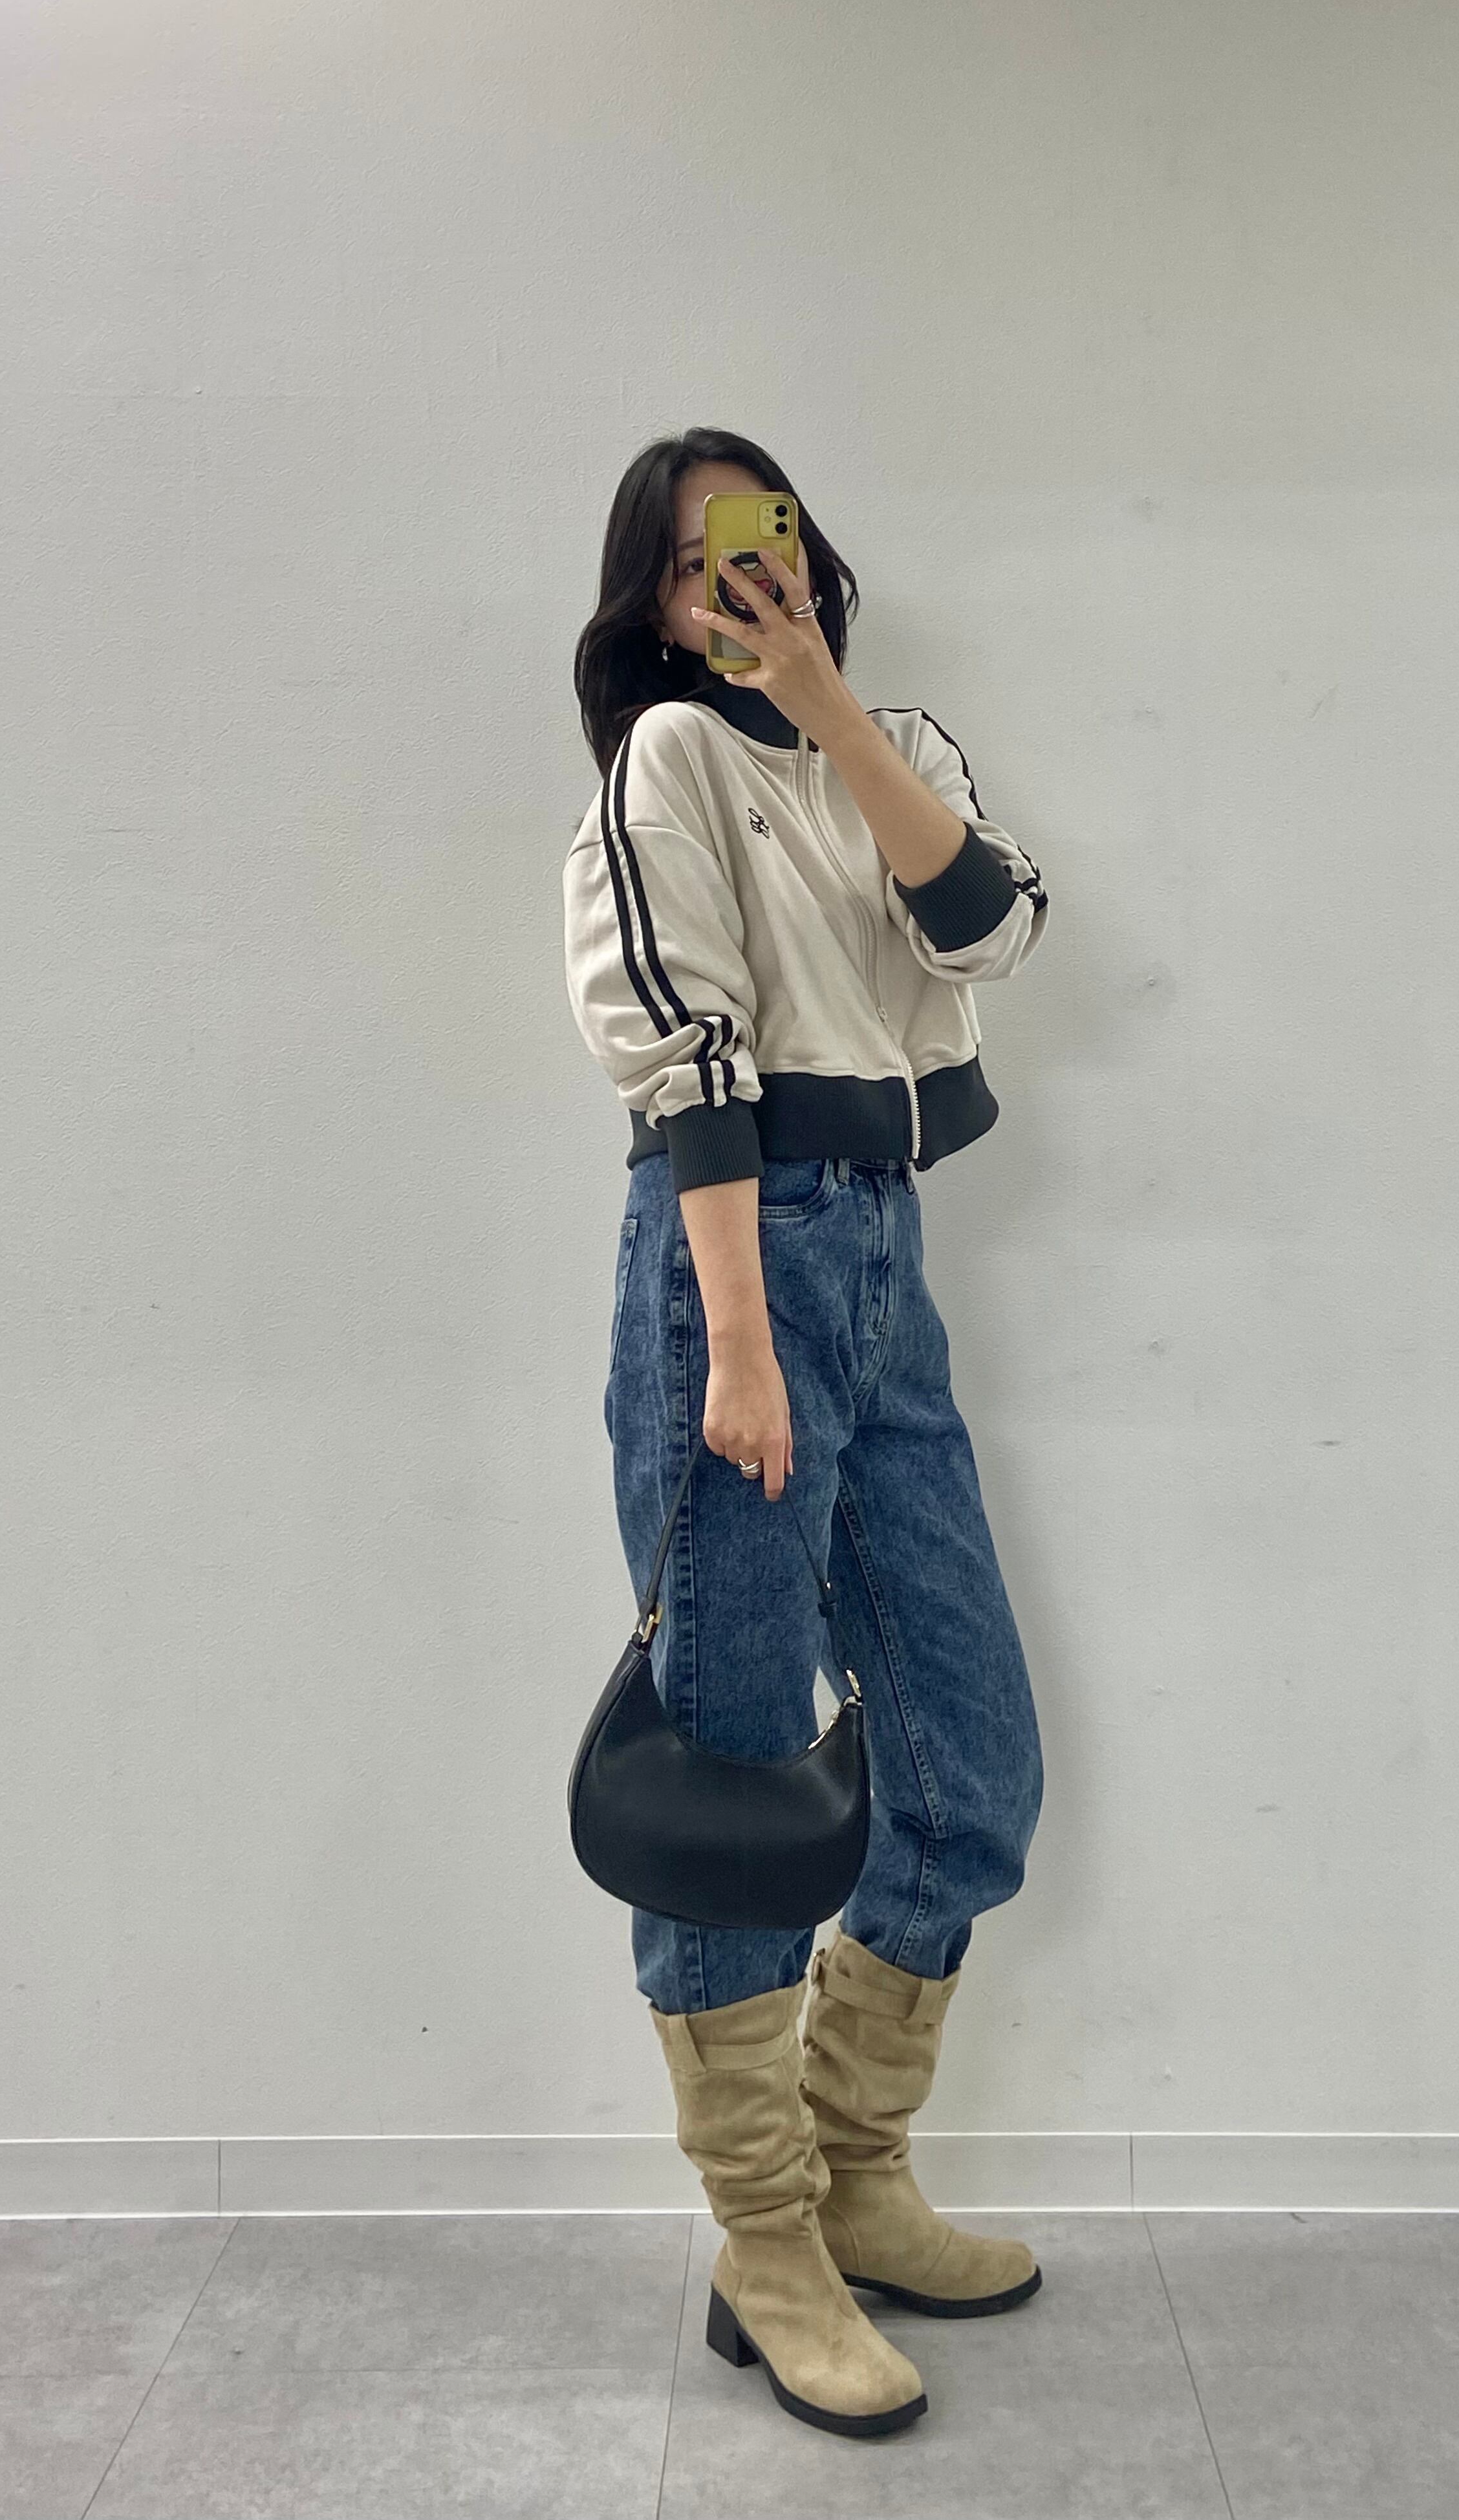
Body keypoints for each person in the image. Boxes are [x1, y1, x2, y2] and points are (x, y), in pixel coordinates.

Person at [563, 427, 1050, 2439]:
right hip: (732, 1268)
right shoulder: (667, 762)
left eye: (759, 547)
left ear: (811, 560)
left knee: (970, 1761)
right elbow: (682, 1050)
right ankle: (765, 2247)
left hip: (885, 1262)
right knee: (739, 1775)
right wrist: (743, 1347)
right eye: (698, 567)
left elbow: (990, 928)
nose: (736, 587)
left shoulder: (888, 743)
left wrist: (834, 710)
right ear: (654, 605)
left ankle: (855, 2181)